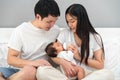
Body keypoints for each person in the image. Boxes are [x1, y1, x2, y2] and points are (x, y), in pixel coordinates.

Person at [0, 0, 68, 80]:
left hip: (39, 72)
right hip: (20, 70)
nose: (52, 25)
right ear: (38, 17)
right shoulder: (21, 31)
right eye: (49, 21)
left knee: (30, 70)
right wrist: (34, 63)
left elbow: (60, 50)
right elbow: (10, 59)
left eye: (55, 21)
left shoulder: (56, 30)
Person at [51, 4, 115, 80]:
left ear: (82, 19)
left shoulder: (94, 37)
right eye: (68, 22)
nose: (70, 25)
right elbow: (52, 54)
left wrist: (79, 57)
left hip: (86, 74)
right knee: (42, 71)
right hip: (67, 73)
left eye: (72, 21)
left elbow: (100, 65)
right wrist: (64, 63)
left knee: (108, 74)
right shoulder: (64, 33)